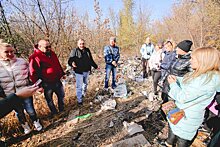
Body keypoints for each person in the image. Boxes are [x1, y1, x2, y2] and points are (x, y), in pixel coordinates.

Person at [165, 47, 220, 147]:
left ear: (203, 61)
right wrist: (177, 79)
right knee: (174, 129)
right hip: (185, 115)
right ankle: (169, 143)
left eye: (193, 59)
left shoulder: (203, 81)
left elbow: (182, 97)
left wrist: (173, 84)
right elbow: (189, 84)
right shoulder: (206, 76)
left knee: (182, 141)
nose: (190, 61)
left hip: (187, 118)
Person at [0, 40, 42, 134]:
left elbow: (30, 75)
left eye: (12, 51)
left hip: (25, 91)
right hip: (11, 94)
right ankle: (25, 127)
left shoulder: (21, 62)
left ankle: (36, 122)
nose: (10, 54)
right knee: (19, 113)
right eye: (6, 52)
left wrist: (36, 86)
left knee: (30, 110)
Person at [29, 39, 65, 116]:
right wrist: (38, 86)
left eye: (49, 46)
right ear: (39, 47)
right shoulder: (34, 57)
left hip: (57, 80)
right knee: (50, 100)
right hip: (46, 83)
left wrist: (62, 73)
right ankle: (55, 113)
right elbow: (33, 73)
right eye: (46, 47)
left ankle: (62, 110)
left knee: (61, 95)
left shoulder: (52, 53)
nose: (49, 48)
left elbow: (57, 64)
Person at [68, 39, 98, 105]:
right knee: (79, 86)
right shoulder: (74, 51)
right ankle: (79, 100)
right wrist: (72, 63)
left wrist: (96, 66)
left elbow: (91, 60)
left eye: (83, 43)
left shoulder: (87, 50)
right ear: (77, 44)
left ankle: (83, 94)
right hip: (79, 72)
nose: (82, 45)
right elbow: (70, 60)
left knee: (85, 84)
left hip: (86, 70)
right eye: (80, 44)